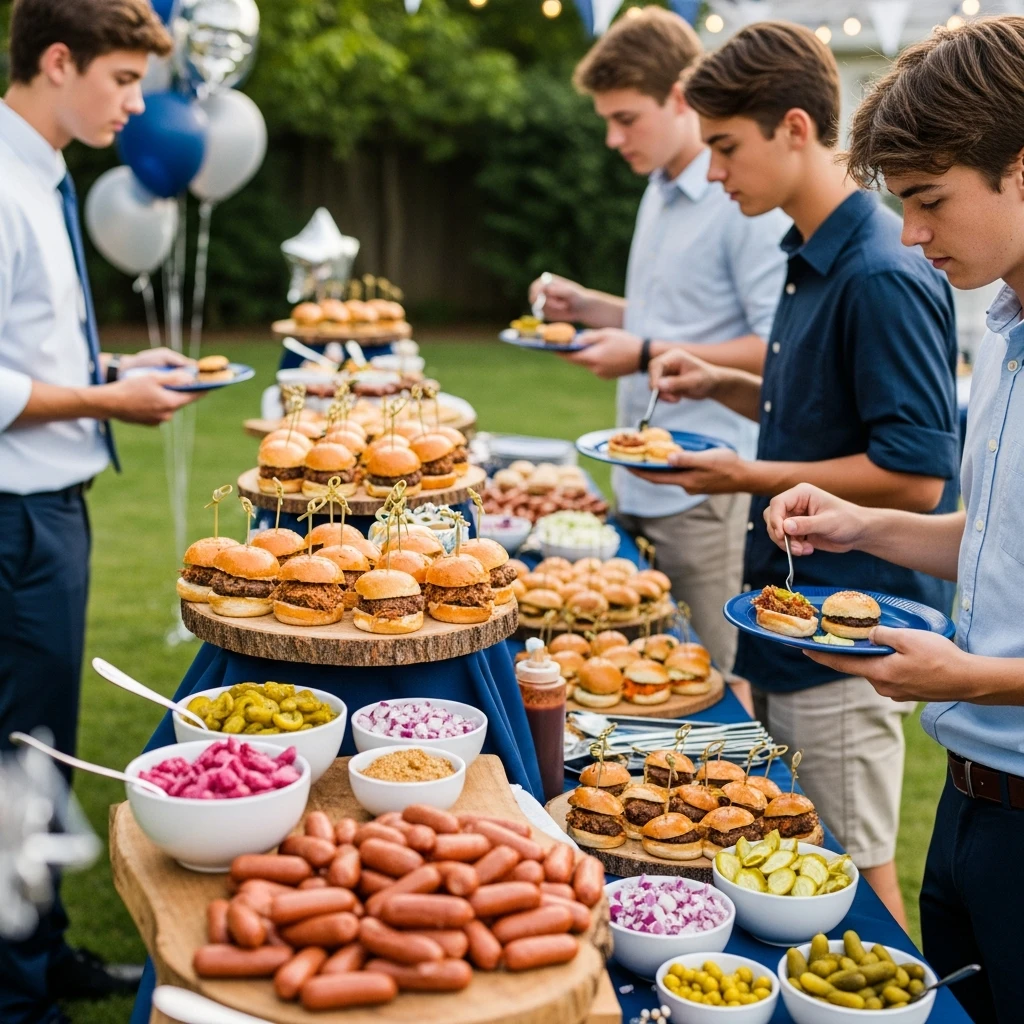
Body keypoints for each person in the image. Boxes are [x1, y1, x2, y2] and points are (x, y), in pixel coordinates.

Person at [634, 21, 961, 929]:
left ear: (792, 127)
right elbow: (820, 414)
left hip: (851, 645)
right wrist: (730, 384)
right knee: (781, 859)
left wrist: (748, 476)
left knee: (857, 882)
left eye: (726, 148)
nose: (712, 174)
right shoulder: (806, 252)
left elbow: (916, 475)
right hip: (784, 622)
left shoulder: (880, 269)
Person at [762, 16, 1024, 1021]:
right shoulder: (1000, 331)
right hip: (966, 807)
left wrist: (968, 676)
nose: (910, 234)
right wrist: (861, 526)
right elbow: (993, 537)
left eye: (928, 201)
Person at [0, 2, 204, 1021]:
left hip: (49, 512)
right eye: (123, 80)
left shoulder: (41, 171)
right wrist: (105, 399)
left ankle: (44, 949)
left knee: (40, 750)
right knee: (11, 764)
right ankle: (14, 995)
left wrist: (116, 369)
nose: (135, 104)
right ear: (56, 59)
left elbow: (25, 354)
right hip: (12, 522)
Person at [527, 6, 788, 680]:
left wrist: (642, 354)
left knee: (708, 678)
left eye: (626, 118)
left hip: (704, 493)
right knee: (643, 672)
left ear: (680, 97)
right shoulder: (660, 188)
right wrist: (589, 306)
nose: (614, 139)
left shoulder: (740, 201)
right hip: (641, 480)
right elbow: (673, 316)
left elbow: (777, 347)